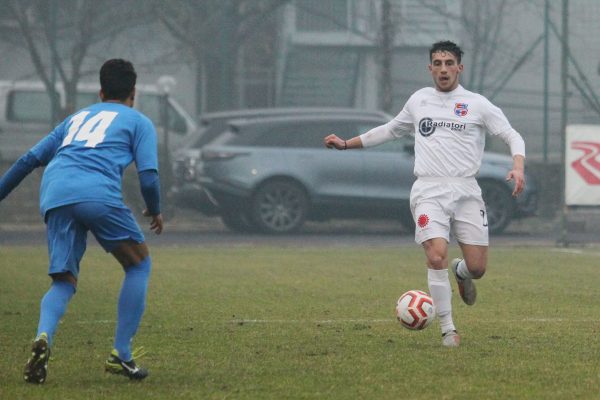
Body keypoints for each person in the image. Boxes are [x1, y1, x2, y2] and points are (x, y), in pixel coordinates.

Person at [324, 40, 525, 347]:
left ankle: (462, 272)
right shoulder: (419, 101)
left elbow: (511, 134)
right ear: (430, 68)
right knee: (435, 256)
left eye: (449, 63)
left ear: (459, 67)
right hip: (428, 189)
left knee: (478, 268)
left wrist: (518, 166)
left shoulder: (477, 104)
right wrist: (346, 143)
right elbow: (390, 130)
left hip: (467, 189)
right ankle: (448, 330)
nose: (443, 69)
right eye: (438, 63)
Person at [0, 59, 163, 382]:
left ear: (101, 92)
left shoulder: (75, 119)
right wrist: (154, 209)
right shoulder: (138, 121)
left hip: (55, 192)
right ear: (134, 92)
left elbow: (28, 159)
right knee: (138, 265)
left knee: (63, 281)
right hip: (96, 193)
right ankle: (121, 355)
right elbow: (148, 178)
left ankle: (43, 336)